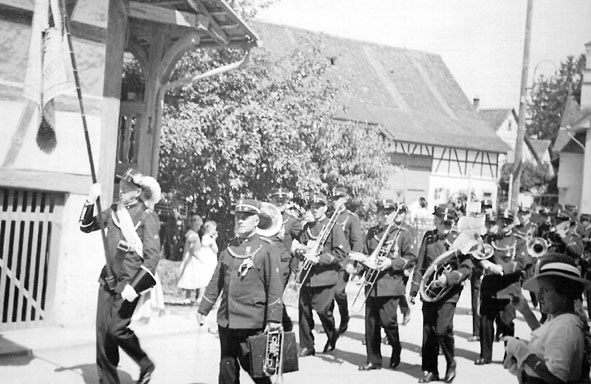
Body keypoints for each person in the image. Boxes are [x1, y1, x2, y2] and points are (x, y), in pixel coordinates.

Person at [79, 168, 162, 384]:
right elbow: (86, 226)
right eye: (121, 186)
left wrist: (134, 287)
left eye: (127, 188)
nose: (121, 190)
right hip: (108, 279)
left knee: (116, 330)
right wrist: (90, 200)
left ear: (138, 192)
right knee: (102, 333)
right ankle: (107, 380)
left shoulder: (147, 216)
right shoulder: (114, 211)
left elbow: (152, 259)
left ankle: (144, 362)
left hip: (128, 285)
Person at [196, 199, 283, 384]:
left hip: (251, 320)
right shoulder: (229, 248)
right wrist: (203, 308)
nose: (240, 221)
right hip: (227, 320)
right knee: (226, 366)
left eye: (246, 217)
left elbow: (275, 286)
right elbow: (215, 282)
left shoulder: (266, 249)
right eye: (238, 217)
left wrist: (274, 319)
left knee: (255, 367)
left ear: (257, 221)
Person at [504, 253, 591, 383]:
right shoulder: (563, 319)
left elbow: (556, 377)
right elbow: (550, 338)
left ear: (564, 292)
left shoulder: (566, 324)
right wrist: (526, 311)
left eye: (545, 290)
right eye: (539, 290)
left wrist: (524, 354)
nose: (539, 297)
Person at [410, 204, 473, 383]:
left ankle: (451, 362)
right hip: (429, 290)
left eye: (448, 221)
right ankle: (430, 370)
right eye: (441, 220)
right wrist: (414, 290)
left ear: (452, 222)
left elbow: (467, 268)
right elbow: (421, 265)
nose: (444, 224)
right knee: (429, 331)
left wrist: (448, 278)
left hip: (449, 292)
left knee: (442, 329)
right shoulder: (428, 237)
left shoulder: (460, 240)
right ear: (435, 220)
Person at [357, 199, 416, 371]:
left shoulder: (402, 233)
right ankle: (373, 360)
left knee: (388, 322)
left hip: (391, 285)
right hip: (372, 285)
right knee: (371, 324)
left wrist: (391, 263)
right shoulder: (371, 233)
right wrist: (359, 268)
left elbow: (411, 258)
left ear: (394, 215)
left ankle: (396, 347)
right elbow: (366, 254)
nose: (384, 216)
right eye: (381, 213)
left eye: (388, 213)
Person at [293, 192, 350, 356]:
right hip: (307, 276)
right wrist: (300, 252)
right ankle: (307, 345)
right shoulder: (307, 227)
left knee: (324, 311)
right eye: (313, 206)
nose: (315, 209)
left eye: (318, 206)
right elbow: (300, 247)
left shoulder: (334, 226)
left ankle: (332, 335)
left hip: (325, 277)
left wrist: (319, 259)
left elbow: (340, 253)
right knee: (304, 312)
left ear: (325, 208)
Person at [475, 208, 528, 366]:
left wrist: (502, 269)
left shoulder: (519, 241)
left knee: (507, 323)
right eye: (501, 220)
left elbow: (521, 262)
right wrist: (483, 263)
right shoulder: (488, 238)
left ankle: (509, 356)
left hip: (509, 288)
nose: (504, 224)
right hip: (490, 287)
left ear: (512, 223)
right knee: (486, 322)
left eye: (507, 221)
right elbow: (476, 255)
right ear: (496, 221)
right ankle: (485, 356)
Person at [330, 187, 364, 336]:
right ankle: (330, 324)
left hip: (344, 261)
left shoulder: (351, 218)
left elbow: (357, 243)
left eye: (338, 198)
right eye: (333, 199)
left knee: (338, 292)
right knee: (328, 293)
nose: (335, 202)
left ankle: (344, 318)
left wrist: (352, 262)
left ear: (345, 199)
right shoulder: (329, 217)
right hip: (330, 260)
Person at [177, 214, 204, 304]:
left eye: (199, 226)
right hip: (191, 259)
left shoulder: (194, 234)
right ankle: (188, 298)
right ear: (192, 224)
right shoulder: (191, 235)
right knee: (190, 277)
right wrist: (199, 258)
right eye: (196, 225)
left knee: (194, 277)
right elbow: (192, 248)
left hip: (193, 257)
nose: (198, 227)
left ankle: (193, 297)